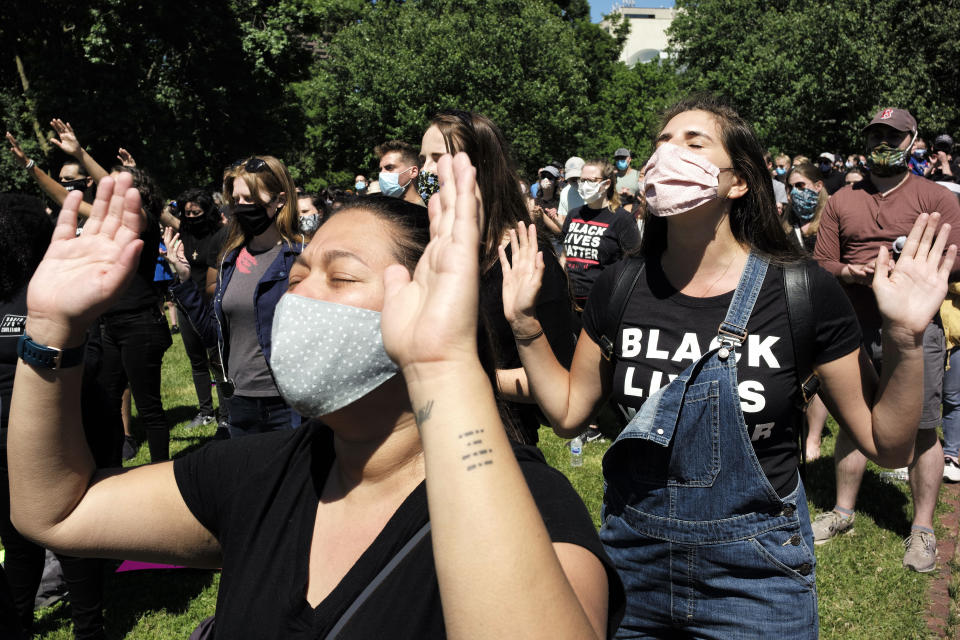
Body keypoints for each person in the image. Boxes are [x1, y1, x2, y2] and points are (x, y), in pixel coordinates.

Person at [8, 164, 624, 639]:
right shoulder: (262, 473)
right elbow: (55, 512)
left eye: (342, 275)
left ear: (435, 299)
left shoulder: (532, 510)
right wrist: (49, 333)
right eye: (299, 277)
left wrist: (441, 366)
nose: (300, 299)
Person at [499, 93, 954, 636]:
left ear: (738, 182)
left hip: (757, 581)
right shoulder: (620, 285)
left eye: (694, 142)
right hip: (630, 566)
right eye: (662, 142)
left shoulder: (801, 291)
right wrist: (526, 326)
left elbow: (887, 445)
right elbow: (569, 413)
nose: (667, 155)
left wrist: (905, 338)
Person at [812, 106, 960, 572]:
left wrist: (908, 274)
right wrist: (850, 273)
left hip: (915, 332)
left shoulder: (937, 197)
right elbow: (821, 262)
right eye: (876, 134)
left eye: (894, 136)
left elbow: (957, 260)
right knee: (856, 423)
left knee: (922, 427)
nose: (884, 143)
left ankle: (922, 529)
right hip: (852, 327)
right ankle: (843, 513)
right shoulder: (841, 199)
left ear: (913, 142)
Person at [419, 110, 575, 445]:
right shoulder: (427, 250)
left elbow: (560, 382)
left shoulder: (525, 258)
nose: (426, 172)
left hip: (499, 445)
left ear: (480, 168)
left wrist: (469, 376)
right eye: (423, 159)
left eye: (438, 158)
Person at [0, 193, 115, 640]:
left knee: (68, 538)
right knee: (21, 543)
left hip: (54, 438)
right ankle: (22, 622)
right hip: (11, 445)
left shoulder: (53, 290)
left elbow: (97, 360)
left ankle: (88, 628)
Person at [169, 156, 302, 437]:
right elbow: (213, 337)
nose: (242, 206)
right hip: (239, 402)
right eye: (237, 198)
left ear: (279, 199)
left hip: (288, 405)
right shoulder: (231, 258)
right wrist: (183, 280)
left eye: (251, 198)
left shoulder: (302, 257)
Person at [170, 189, 229, 430]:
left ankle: (226, 415)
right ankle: (206, 412)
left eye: (197, 212)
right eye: (187, 213)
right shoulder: (183, 230)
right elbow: (156, 209)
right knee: (197, 360)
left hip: (212, 303)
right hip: (188, 302)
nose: (192, 217)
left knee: (218, 361)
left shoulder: (220, 234)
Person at [560, 159, 640, 331]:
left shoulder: (621, 219)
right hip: (571, 303)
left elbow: (634, 264)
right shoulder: (573, 215)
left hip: (603, 305)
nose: (584, 184)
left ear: (606, 184)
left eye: (591, 180)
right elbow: (565, 256)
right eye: (582, 180)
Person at [375, 140, 423, 205]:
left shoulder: (427, 213)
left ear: (413, 172)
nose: (382, 173)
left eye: (389, 167)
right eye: (381, 169)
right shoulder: (379, 208)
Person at [532, 165, 563, 235]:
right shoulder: (533, 202)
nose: (545, 179)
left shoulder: (561, 203)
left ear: (556, 182)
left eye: (549, 177)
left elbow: (559, 231)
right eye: (543, 176)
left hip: (554, 242)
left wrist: (542, 215)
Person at [558, 156, 585, 221]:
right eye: (572, 178)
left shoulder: (595, 189)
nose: (575, 180)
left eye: (578, 177)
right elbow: (563, 221)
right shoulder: (565, 192)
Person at [613, 148, 639, 212]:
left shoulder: (638, 174)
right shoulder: (612, 176)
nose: (619, 160)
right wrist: (617, 195)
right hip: (616, 210)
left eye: (622, 158)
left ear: (630, 159)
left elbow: (644, 196)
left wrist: (631, 196)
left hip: (634, 210)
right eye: (617, 158)